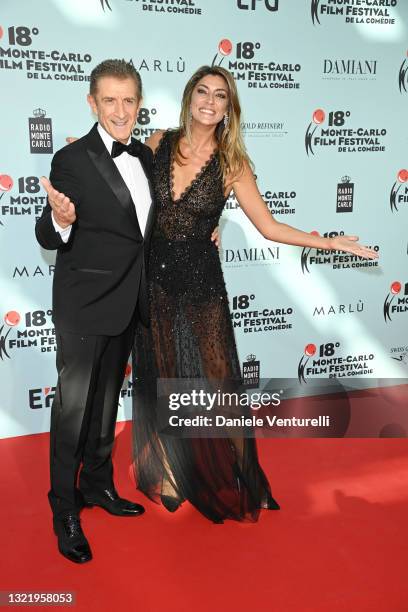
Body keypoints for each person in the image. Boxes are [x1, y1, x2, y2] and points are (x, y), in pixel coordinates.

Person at [131, 65, 379, 523]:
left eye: (220, 95)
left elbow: (268, 226)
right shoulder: (157, 143)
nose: (209, 100)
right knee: (164, 373)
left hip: (202, 283)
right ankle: (168, 467)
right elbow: (130, 198)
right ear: (189, 97)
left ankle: (243, 472)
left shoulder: (231, 163)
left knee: (220, 384)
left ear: (229, 108)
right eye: (202, 91)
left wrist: (329, 242)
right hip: (155, 281)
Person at [35, 59, 155, 563]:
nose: (120, 110)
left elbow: (144, 228)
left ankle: (98, 486)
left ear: (139, 103)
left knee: (106, 405)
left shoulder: (147, 158)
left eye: (129, 100)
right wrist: (60, 220)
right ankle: (64, 507)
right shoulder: (72, 159)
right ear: (92, 102)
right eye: (110, 100)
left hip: (129, 302)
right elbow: (46, 232)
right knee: (73, 413)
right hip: (84, 306)